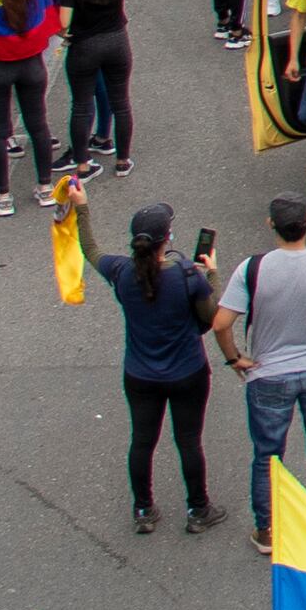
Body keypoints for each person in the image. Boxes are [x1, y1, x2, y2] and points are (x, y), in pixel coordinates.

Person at [220, 192, 306, 538]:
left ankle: (266, 529)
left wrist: (235, 357)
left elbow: (221, 323)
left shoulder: (251, 269)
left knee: (268, 456)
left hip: (268, 375)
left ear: (271, 225)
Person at [100, 207, 219, 536]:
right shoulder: (186, 275)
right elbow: (210, 319)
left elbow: (89, 249)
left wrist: (80, 208)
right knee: (189, 442)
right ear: (167, 239)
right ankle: (198, 509)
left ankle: (143, 510)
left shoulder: (121, 271)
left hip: (140, 376)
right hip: (188, 373)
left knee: (141, 442)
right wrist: (211, 275)